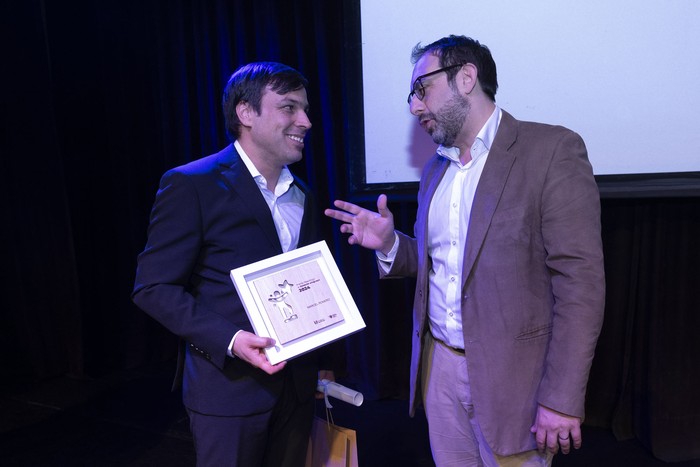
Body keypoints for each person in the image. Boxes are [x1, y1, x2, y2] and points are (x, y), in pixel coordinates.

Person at [325, 35, 605, 466]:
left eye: (422, 89)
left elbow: (581, 285)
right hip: (441, 373)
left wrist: (562, 398)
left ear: (467, 78)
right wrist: (390, 244)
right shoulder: (436, 168)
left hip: (516, 382)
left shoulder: (550, 151)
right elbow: (446, 262)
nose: (415, 106)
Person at [132, 61, 332, 467]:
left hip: (295, 391)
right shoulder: (192, 184)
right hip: (227, 392)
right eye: (289, 108)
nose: (306, 121)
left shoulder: (304, 195)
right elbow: (153, 289)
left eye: (306, 109)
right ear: (246, 113)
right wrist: (231, 339)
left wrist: (322, 363)